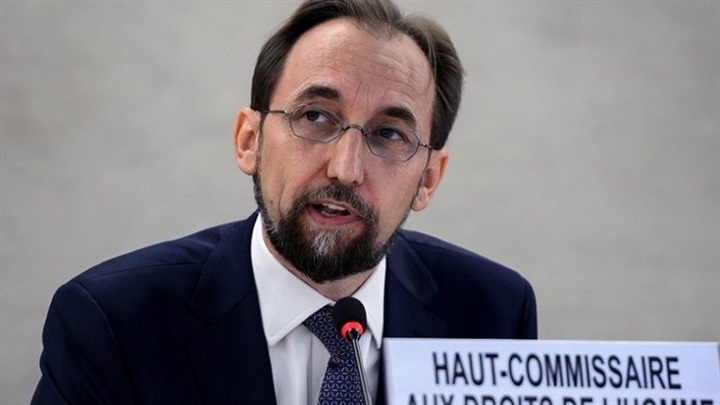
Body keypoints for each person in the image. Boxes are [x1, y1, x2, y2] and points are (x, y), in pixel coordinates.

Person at [32, 0, 537, 403]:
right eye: (315, 117)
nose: (346, 168)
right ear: (250, 141)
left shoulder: (494, 313)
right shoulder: (113, 323)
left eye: (388, 133)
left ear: (427, 179)